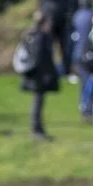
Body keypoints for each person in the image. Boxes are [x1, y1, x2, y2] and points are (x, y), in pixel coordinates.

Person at [19, 10, 61, 140]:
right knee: (38, 103)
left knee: (38, 102)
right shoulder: (40, 37)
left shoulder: (32, 34)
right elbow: (40, 58)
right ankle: (36, 129)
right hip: (39, 76)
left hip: (35, 75)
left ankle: (38, 128)